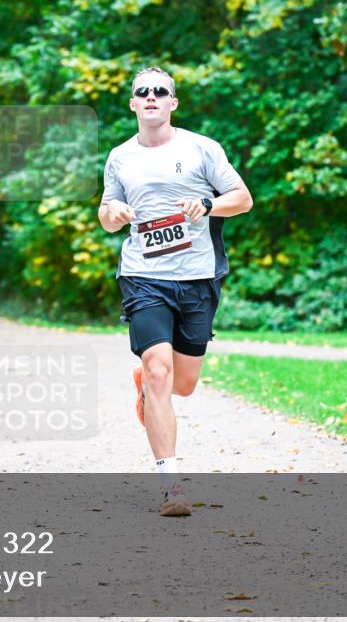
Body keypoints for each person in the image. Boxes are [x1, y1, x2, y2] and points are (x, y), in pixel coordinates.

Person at [98, 66, 253, 517]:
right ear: (133, 103)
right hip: (143, 276)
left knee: (182, 385)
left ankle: (147, 389)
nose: (151, 96)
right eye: (142, 91)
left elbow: (243, 199)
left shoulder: (202, 148)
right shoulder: (120, 157)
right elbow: (106, 214)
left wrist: (207, 204)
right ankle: (172, 486)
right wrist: (115, 212)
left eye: (160, 91)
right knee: (159, 371)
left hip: (198, 277)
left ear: (173, 102)